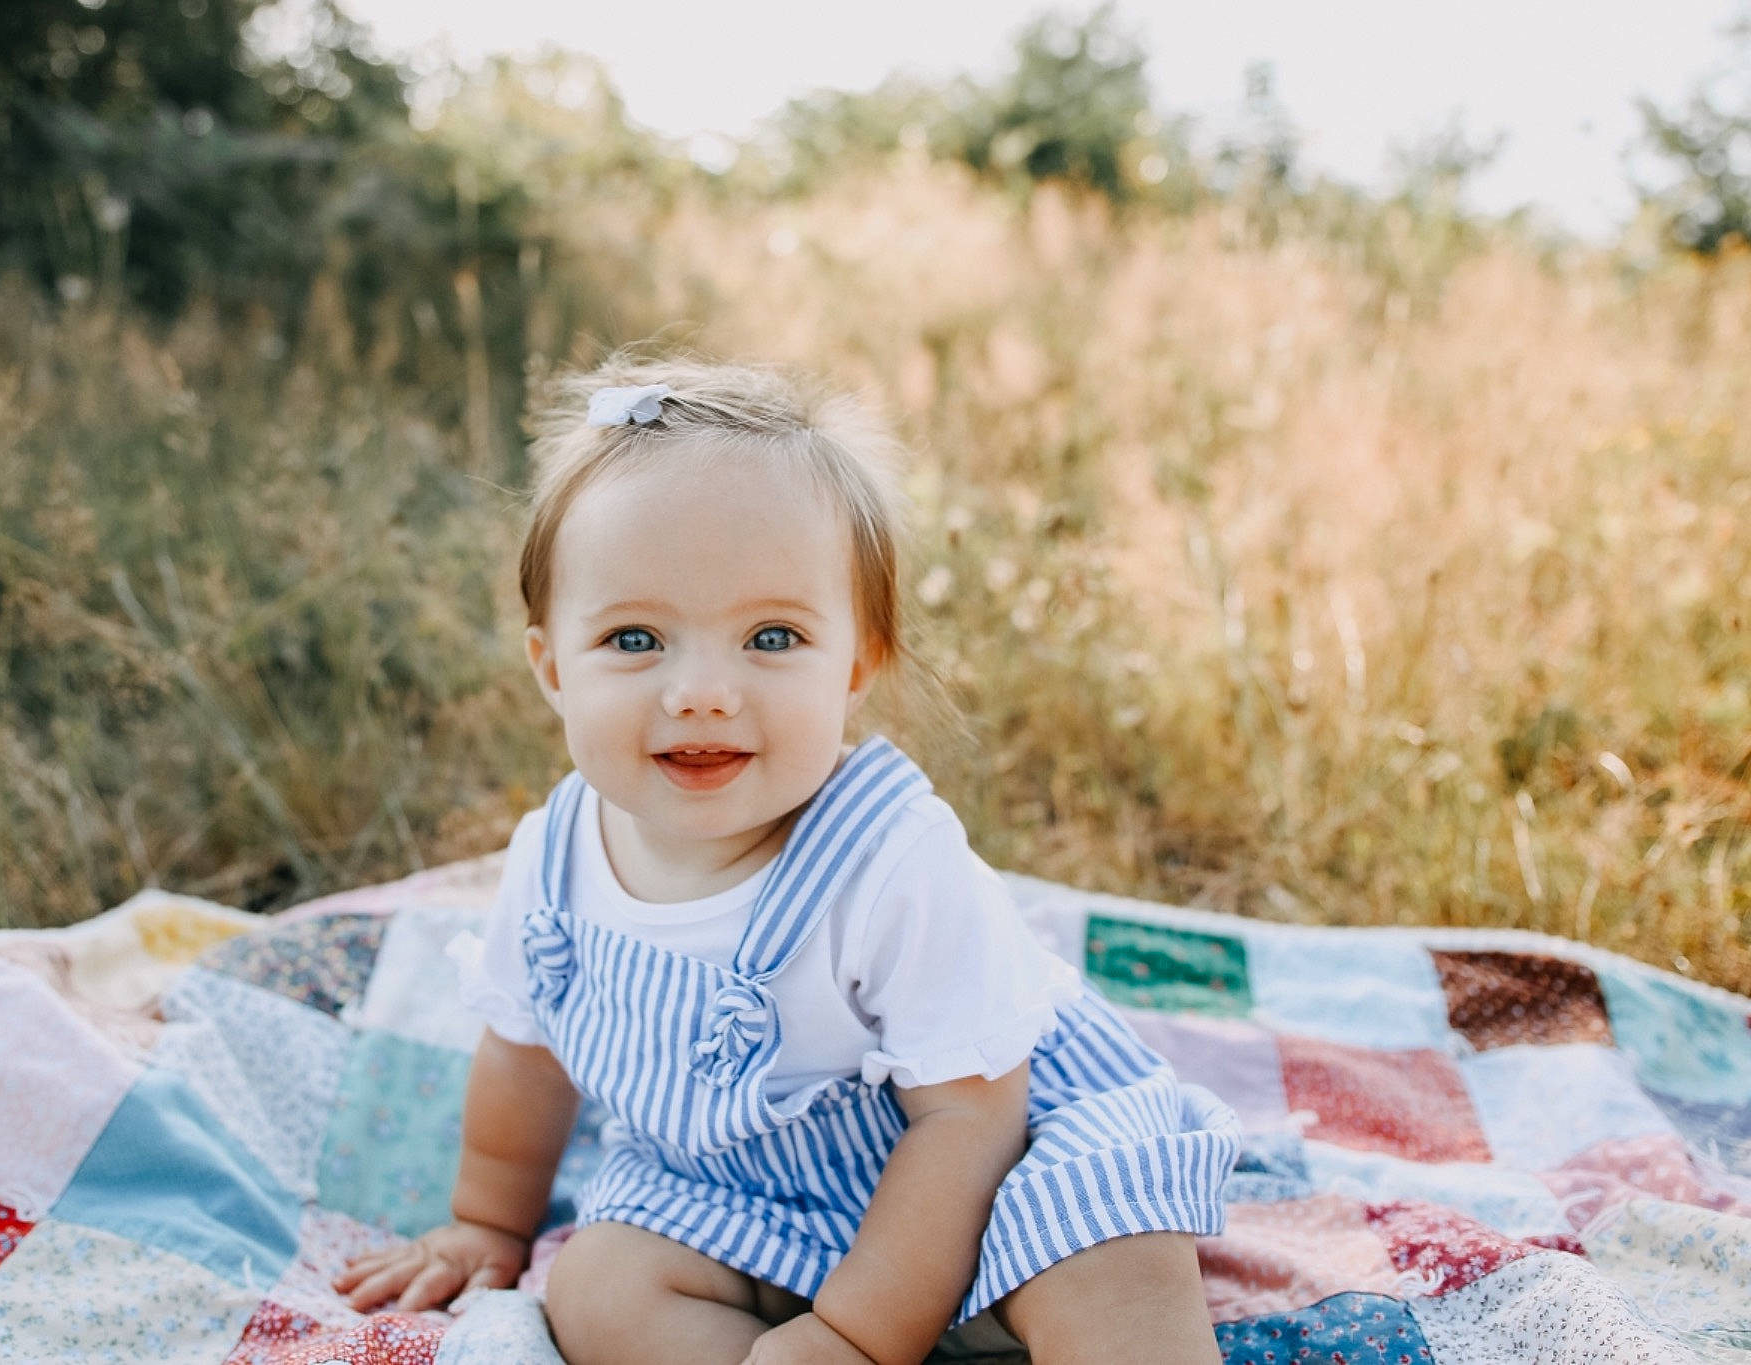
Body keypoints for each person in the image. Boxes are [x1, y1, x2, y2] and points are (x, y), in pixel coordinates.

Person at [334, 355, 1239, 1364]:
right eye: (636, 638)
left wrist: (856, 1333)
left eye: (770, 636)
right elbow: (525, 1051)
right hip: (745, 1195)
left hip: (993, 1169)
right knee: (598, 1285)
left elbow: (967, 1116)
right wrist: (487, 1224)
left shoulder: (889, 858)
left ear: (853, 668)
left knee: (1111, 1263)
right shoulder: (554, 862)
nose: (702, 692)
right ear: (552, 667)